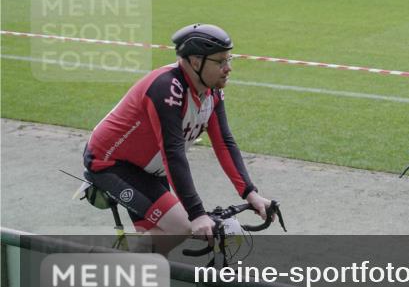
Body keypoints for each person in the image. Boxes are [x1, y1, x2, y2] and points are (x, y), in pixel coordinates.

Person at [83, 23, 271, 239]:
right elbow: (173, 152)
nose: (228, 68)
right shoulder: (167, 88)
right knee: (180, 227)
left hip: (150, 169)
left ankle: (133, 268)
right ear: (195, 62)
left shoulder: (212, 92)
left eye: (229, 59)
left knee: (161, 239)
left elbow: (224, 143)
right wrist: (197, 213)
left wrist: (250, 193)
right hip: (111, 164)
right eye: (220, 61)